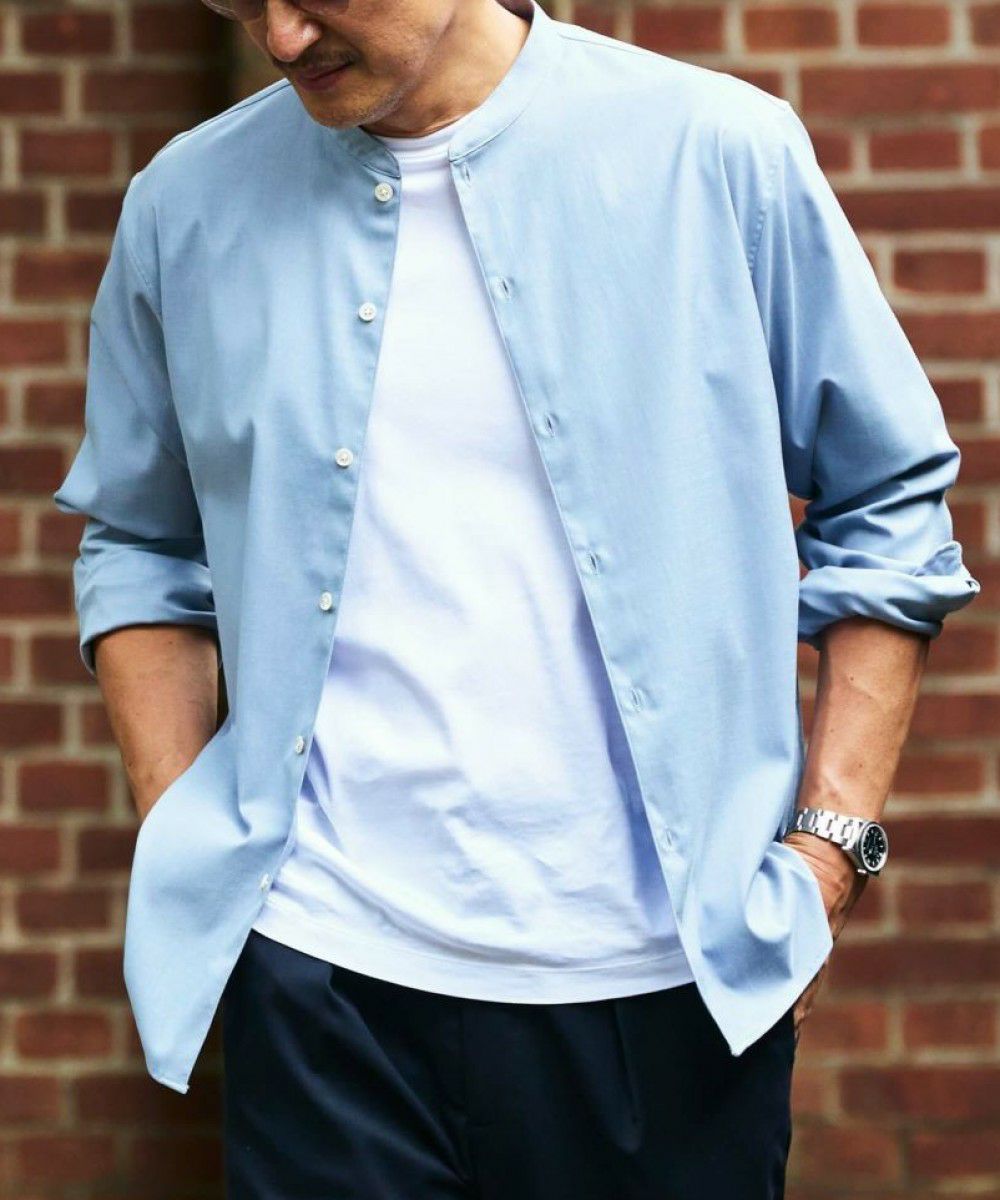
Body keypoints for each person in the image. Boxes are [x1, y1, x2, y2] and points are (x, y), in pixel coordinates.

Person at [51, 0, 981, 1196]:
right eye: (240, 0)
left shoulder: (715, 152)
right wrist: (189, 828)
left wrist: (826, 853)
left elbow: (888, 498)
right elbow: (141, 537)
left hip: (666, 994)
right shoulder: (185, 203)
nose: (279, 40)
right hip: (319, 984)